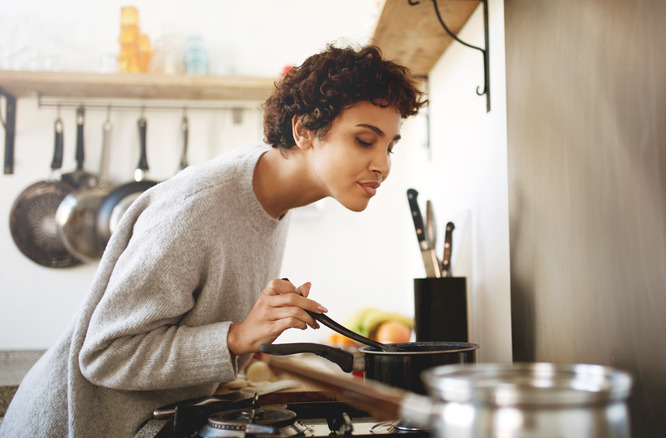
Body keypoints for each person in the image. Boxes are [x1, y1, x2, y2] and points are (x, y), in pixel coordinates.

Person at [0, 44, 425, 437]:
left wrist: (251, 338)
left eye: (390, 146)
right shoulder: (198, 208)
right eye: (365, 140)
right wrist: (237, 336)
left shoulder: (273, 194)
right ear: (305, 131)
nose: (383, 165)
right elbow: (105, 355)